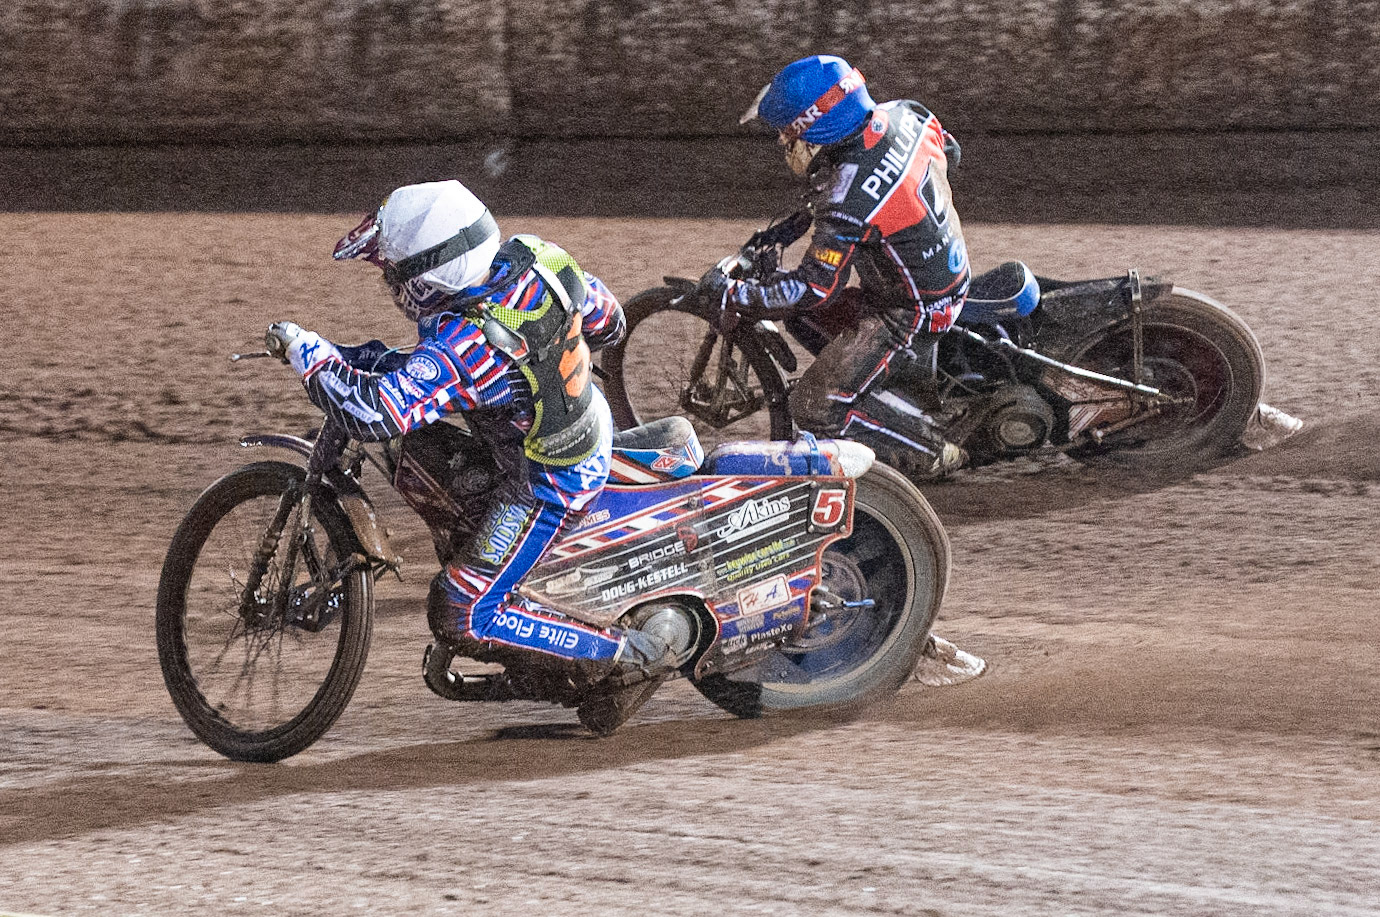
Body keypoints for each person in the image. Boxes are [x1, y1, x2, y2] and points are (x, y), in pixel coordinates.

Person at [264, 179, 676, 735]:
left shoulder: (468, 343)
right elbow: (608, 322)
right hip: (579, 420)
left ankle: (627, 657)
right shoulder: (539, 257)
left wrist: (308, 354)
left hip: (546, 478)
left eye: (394, 272)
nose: (390, 282)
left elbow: (374, 415)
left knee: (459, 610)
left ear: (428, 276)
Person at [703, 54, 971, 476]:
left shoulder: (847, 203)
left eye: (785, 135)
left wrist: (733, 293)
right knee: (809, 325)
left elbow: (813, 288)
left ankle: (936, 453)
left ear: (812, 131)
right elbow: (949, 152)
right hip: (944, 270)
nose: (782, 144)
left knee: (812, 406)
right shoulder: (905, 114)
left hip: (910, 311)